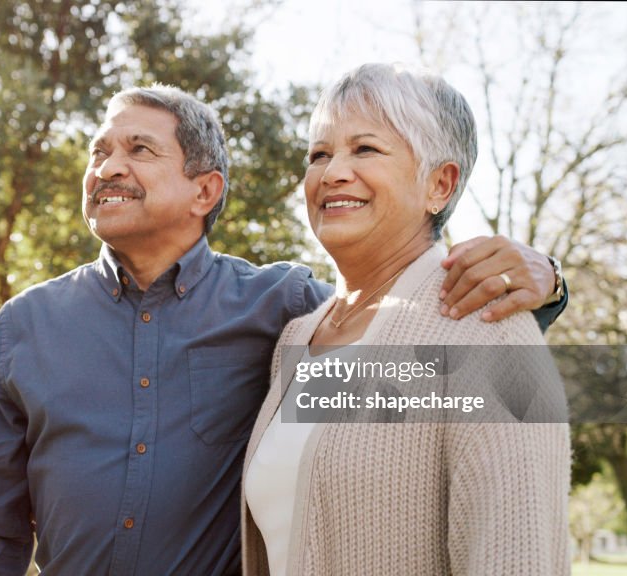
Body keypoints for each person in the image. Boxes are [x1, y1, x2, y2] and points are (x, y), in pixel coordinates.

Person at [0, 84, 568, 575]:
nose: (106, 167)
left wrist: (545, 286)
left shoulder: (285, 310)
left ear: (204, 190)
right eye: (99, 151)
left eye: (139, 150)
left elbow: (412, 330)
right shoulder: (22, 328)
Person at [241, 64, 570, 575]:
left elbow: (517, 556)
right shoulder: (299, 335)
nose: (332, 173)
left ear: (440, 184)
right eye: (319, 155)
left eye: (365, 149)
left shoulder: (488, 330)